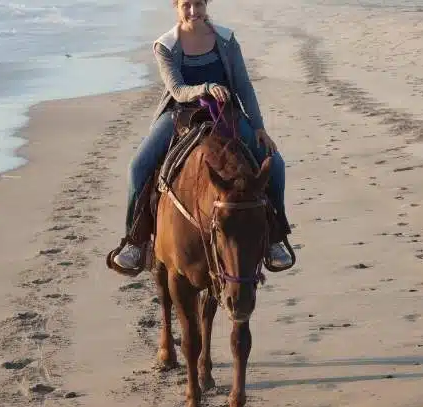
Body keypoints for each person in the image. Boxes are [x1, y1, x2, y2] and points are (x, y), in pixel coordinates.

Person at [112, 0, 293, 270]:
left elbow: (243, 86)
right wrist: (206, 87)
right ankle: (135, 241)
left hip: (225, 113)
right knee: (137, 168)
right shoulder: (165, 45)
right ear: (176, 6)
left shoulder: (226, 39)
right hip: (179, 114)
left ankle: (274, 238)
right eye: (186, 5)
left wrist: (258, 127)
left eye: (198, 4)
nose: (193, 12)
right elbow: (177, 89)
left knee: (275, 164)